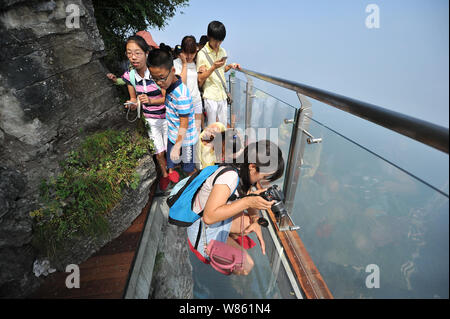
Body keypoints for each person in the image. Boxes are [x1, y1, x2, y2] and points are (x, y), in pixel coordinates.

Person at [187, 140, 285, 275]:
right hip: (202, 231)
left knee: (249, 223)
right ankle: (214, 248)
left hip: (216, 221)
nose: (262, 181)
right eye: (264, 176)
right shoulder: (229, 178)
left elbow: (247, 194)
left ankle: (229, 237)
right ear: (252, 166)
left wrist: (255, 218)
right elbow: (209, 218)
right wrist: (248, 203)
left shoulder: (241, 169)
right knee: (246, 266)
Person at [120, 35, 171, 191]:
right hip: (151, 120)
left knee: (170, 149)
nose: (133, 57)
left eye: (137, 53)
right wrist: (132, 105)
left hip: (168, 117)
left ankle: (173, 170)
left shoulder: (156, 72)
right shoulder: (130, 77)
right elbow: (133, 99)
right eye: (129, 53)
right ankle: (164, 175)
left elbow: (165, 98)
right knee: (159, 152)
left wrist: (149, 100)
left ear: (146, 53)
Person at [148, 49, 199, 182]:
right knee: (173, 161)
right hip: (173, 135)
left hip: (185, 140)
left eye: (161, 77)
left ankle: (198, 184)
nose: (159, 82)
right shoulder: (170, 85)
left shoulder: (181, 95)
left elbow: (184, 123)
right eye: (154, 78)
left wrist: (177, 146)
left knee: (188, 169)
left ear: (172, 71)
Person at [197, 21, 241, 127]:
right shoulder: (202, 54)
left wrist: (230, 66)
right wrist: (213, 67)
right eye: (215, 40)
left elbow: (221, 71)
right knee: (212, 127)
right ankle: (213, 143)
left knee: (223, 126)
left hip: (222, 94)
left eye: (220, 41)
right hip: (210, 94)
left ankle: (221, 143)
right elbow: (200, 79)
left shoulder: (223, 51)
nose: (217, 44)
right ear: (208, 37)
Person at [174, 36, 204, 135]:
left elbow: (199, 83)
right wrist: (184, 64)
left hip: (196, 101)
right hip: (183, 103)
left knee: (197, 130)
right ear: (182, 51)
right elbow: (180, 83)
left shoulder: (197, 63)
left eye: (192, 53)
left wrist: (202, 75)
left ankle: (196, 150)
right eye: (186, 52)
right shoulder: (176, 64)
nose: (189, 56)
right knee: (184, 132)